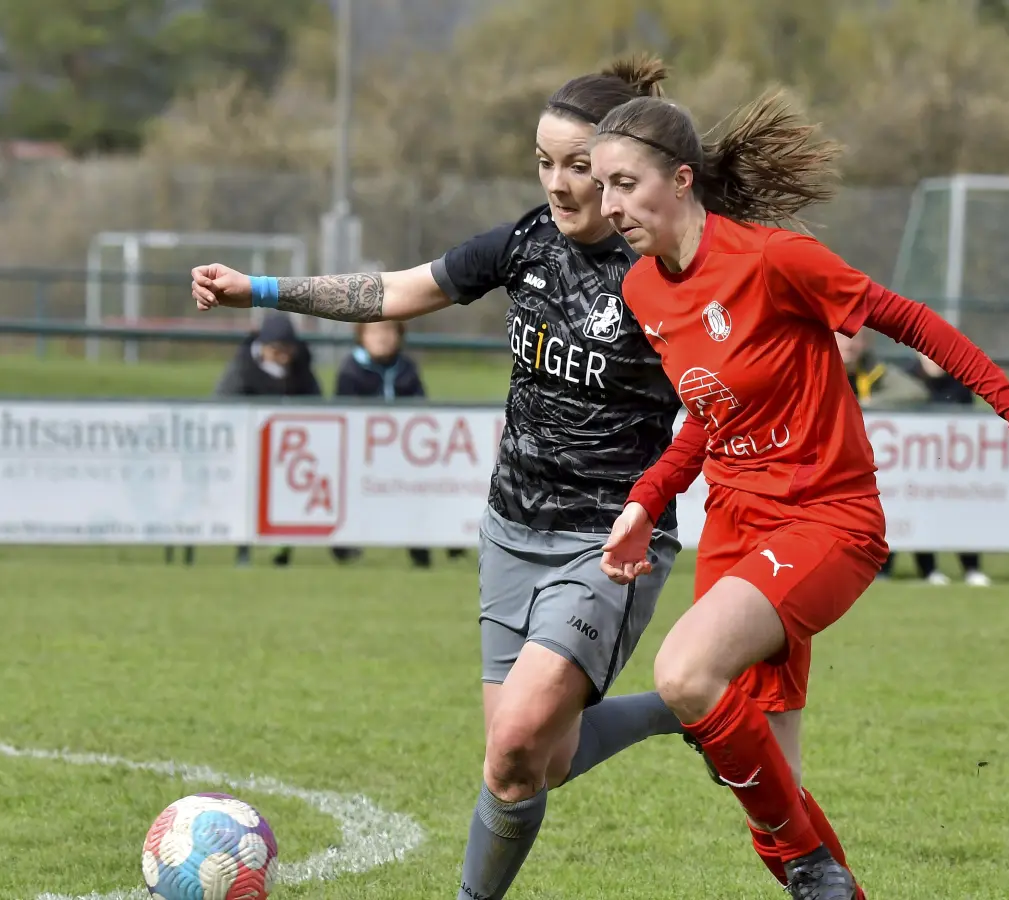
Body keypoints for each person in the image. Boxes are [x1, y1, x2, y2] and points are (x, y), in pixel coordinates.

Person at [188, 57, 692, 900]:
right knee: (537, 763)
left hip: (610, 541)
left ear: (618, 171)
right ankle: (697, 706)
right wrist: (261, 291)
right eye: (544, 162)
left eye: (579, 168)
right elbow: (393, 290)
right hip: (508, 530)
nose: (560, 185)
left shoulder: (667, 270)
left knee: (514, 748)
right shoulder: (526, 242)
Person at [589, 92, 1009, 900]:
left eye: (624, 183)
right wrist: (646, 502)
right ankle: (825, 878)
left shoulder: (772, 259)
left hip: (825, 520)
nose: (608, 204)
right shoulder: (645, 292)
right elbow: (707, 415)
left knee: (686, 673)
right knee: (767, 786)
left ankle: (809, 865)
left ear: (681, 180)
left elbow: (913, 321)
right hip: (733, 528)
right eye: (601, 185)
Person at [331, 320, 466, 569]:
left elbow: (422, 410)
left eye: (389, 331)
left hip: (406, 453)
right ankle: (343, 546)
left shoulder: (407, 368)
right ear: (361, 335)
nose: (382, 338)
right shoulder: (350, 370)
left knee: (434, 480)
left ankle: (437, 543)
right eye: (374, 332)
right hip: (362, 454)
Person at [213, 311, 321, 567]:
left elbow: (316, 404)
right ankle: (244, 550)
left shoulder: (301, 367)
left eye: (288, 349)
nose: (284, 356)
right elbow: (223, 408)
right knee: (246, 499)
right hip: (249, 450)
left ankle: (283, 550)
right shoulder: (241, 369)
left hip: (291, 452)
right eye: (277, 349)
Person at [836, 330, 924, 581]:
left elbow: (915, 392)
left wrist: (870, 405)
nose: (848, 345)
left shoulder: (877, 372)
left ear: (866, 342)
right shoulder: (813, 366)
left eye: (854, 337)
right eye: (841, 337)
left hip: (869, 461)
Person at [904, 352, 991, 586]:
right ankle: (929, 570)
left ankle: (971, 568)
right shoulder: (907, 379)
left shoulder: (960, 383)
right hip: (916, 460)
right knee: (922, 512)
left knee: (962, 510)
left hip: (954, 460)